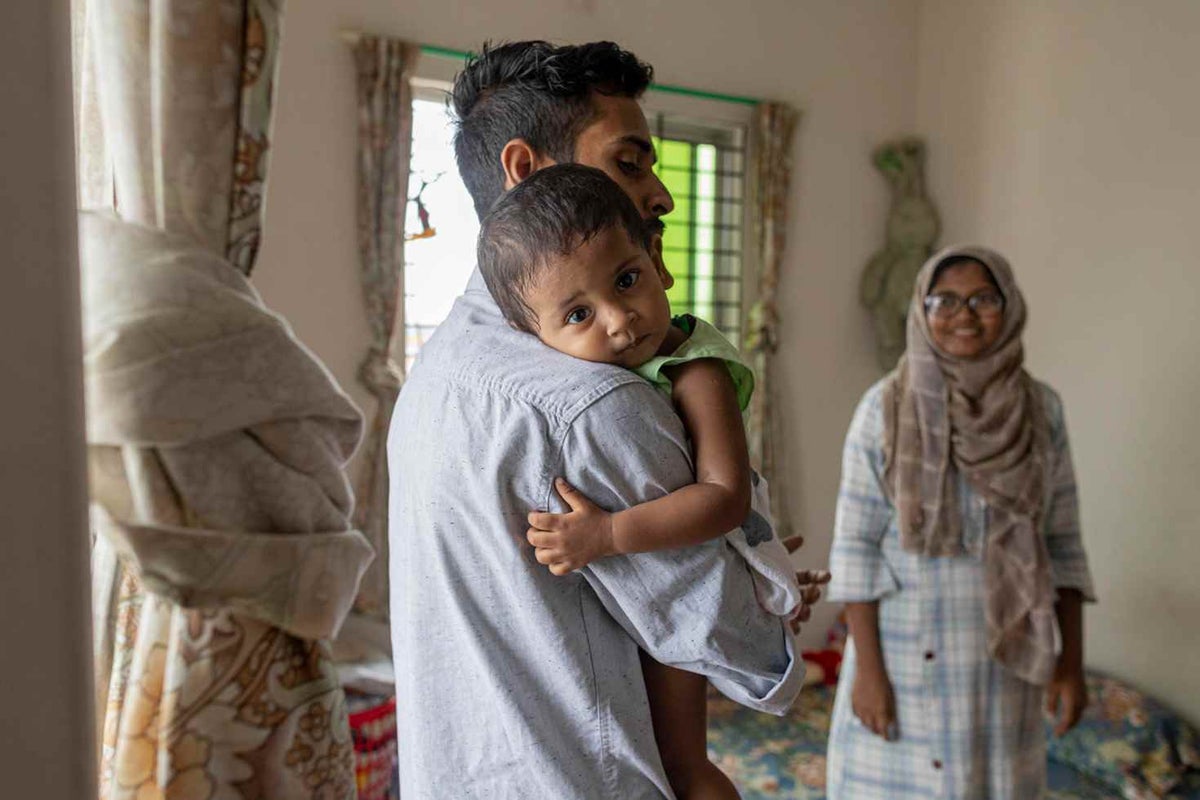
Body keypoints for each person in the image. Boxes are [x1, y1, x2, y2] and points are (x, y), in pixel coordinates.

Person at [388, 41, 824, 799]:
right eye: (630, 163)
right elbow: (739, 646)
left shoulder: (436, 369)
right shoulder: (594, 403)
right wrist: (758, 590)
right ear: (526, 171)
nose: (660, 195)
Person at [477, 163, 807, 799]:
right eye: (578, 313)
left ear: (656, 260)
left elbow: (723, 498)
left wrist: (604, 534)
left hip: (702, 559)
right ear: (531, 336)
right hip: (660, 573)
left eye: (626, 281)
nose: (619, 320)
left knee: (684, 767)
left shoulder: (694, 367)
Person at [825, 245, 1097, 798]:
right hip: (902, 657)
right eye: (943, 300)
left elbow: (1062, 543)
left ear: (1010, 307)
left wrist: (1071, 664)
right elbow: (855, 548)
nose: (964, 315)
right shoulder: (885, 407)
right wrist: (870, 675)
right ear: (920, 312)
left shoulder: (1041, 411)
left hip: (1006, 659)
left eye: (982, 299)